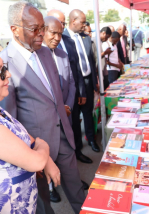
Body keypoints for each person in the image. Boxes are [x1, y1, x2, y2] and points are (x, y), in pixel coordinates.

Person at [0, 2, 86, 214]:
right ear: (15, 29)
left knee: (75, 187)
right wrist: (29, 152)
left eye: (41, 28)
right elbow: (11, 119)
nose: (41, 34)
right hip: (35, 146)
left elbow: (55, 94)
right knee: (42, 196)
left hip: (64, 137)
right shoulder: (4, 64)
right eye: (34, 28)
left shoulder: (47, 53)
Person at [0, 41, 53, 214]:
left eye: (5, 68)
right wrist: (44, 146)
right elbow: (36, 160)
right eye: (0, 71)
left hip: (21, 209)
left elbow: (29, 140)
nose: (8, 75)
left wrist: (39, 146)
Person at [47, 9, 94, 164]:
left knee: (74, 124)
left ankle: (77, 152)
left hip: (70, 93)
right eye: (57, 22)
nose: (60, 26)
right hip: (51, 103)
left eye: (62, 22)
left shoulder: (68, 41)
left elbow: (76, 69)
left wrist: (74, 94)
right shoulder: (41, 49)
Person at [42, 16, 77, 203]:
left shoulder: (63, 55)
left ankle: (68, 185)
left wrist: (68, 107)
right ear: (43, 31)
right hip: (47, 122)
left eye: (60, 34)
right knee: (49, 154)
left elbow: (71, 82)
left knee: (66, 155)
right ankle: (50, 187)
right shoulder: (37, 57)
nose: (56, 37)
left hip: (66, 116)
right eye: (52, 32)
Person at [63, 9, 100, 153]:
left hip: (88, 81)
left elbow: (91, 60)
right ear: (73, 21)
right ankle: (77, 147)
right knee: (75, 116)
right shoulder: (63, 38)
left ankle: (91, 139)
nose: (84, 25)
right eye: (82, 22)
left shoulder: (85, 37)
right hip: (73, 84)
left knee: (88, 113)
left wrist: (95, 79)